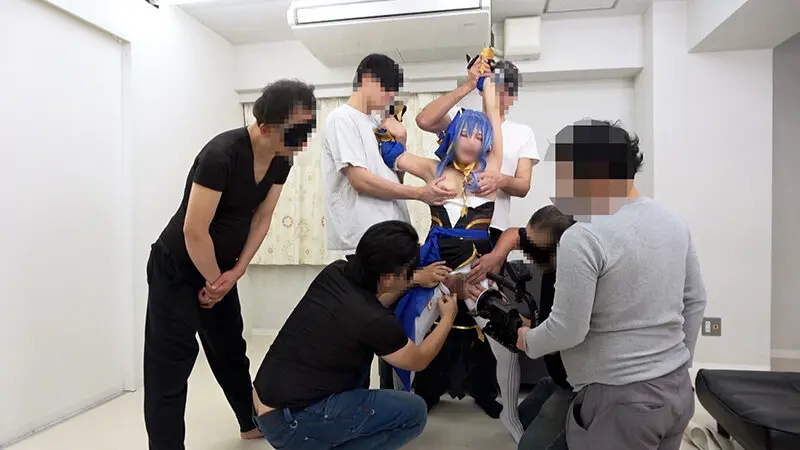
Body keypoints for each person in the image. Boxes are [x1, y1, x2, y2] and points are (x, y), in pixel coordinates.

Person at [143, 80, 317, 449]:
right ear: (265, 127)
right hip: (177, 267)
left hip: (221, 271)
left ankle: (249, 423)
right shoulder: (221, 155)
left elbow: (262, 219)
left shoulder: (282, 158)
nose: (303, 141)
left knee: (230, 350)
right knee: (170, 365)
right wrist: (215, 282)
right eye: (296, 131)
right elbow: (194, 230)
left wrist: (235, 273)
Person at [515, 120, 707, 450]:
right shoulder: (672, 220)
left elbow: (569, 329)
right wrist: (675, 364)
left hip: (621, 400)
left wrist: (528, 340)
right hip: (676, 390)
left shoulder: (584, 235)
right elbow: (696, 300)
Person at [252, 220, 459, 450]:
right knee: (413, 411)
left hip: (266, 403)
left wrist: (414, 279)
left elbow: (375, 299)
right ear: (389, 277)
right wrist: (448, 317)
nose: (413, 274)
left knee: (357, 370)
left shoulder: (335, 271)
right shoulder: (376, 321)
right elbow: (417, 360)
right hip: (290, 423)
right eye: (409, 271)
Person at [376, 77, 512, 419]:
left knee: (505, 336)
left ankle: (508, 408)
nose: (472, 141)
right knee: (411, 331)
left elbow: (494, 117)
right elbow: (391, 154)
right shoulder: (432, 169)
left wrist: (488, 84)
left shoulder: (491, 173)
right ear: (453, 135)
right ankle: (404, 404)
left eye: (479, 137)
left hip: (478, 269)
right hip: (436, 266)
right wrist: (394, 131)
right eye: (465, 133)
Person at [323, 53, 458, 390]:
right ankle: (354, 395)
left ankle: (388, 394)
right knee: (367, 320)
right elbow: (360, 179)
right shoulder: (342, 119)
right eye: (388, 90)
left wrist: (401, 143)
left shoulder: (375, 124)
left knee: (388, 323)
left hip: (390, 231)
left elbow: (392, 174)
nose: (390, 98)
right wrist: (420, 194)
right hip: (365, 235)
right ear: (368, 79)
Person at [486, 205, 577, 450]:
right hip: (558, 375)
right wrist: (497, 256)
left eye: (533, 249)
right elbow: (515, 235)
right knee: (522, 418)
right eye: (526, 244)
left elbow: (559, 339)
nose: (527, 254)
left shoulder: (573, 279)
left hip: (578, 381)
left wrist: (526, 337)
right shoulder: (550, 265)